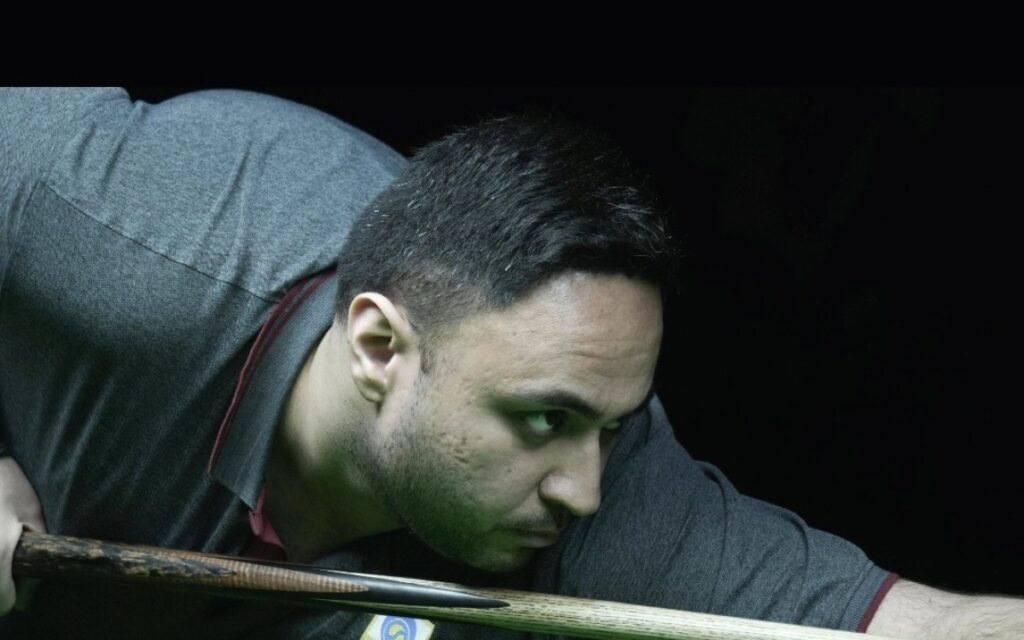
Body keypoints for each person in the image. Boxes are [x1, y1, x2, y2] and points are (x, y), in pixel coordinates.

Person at [0, 87, 1019, 639]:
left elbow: (908, 627)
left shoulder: (612, 492)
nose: (583, 487)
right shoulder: (124, 222)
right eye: (545, 419)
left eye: (610, 427)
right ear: (380, 347)